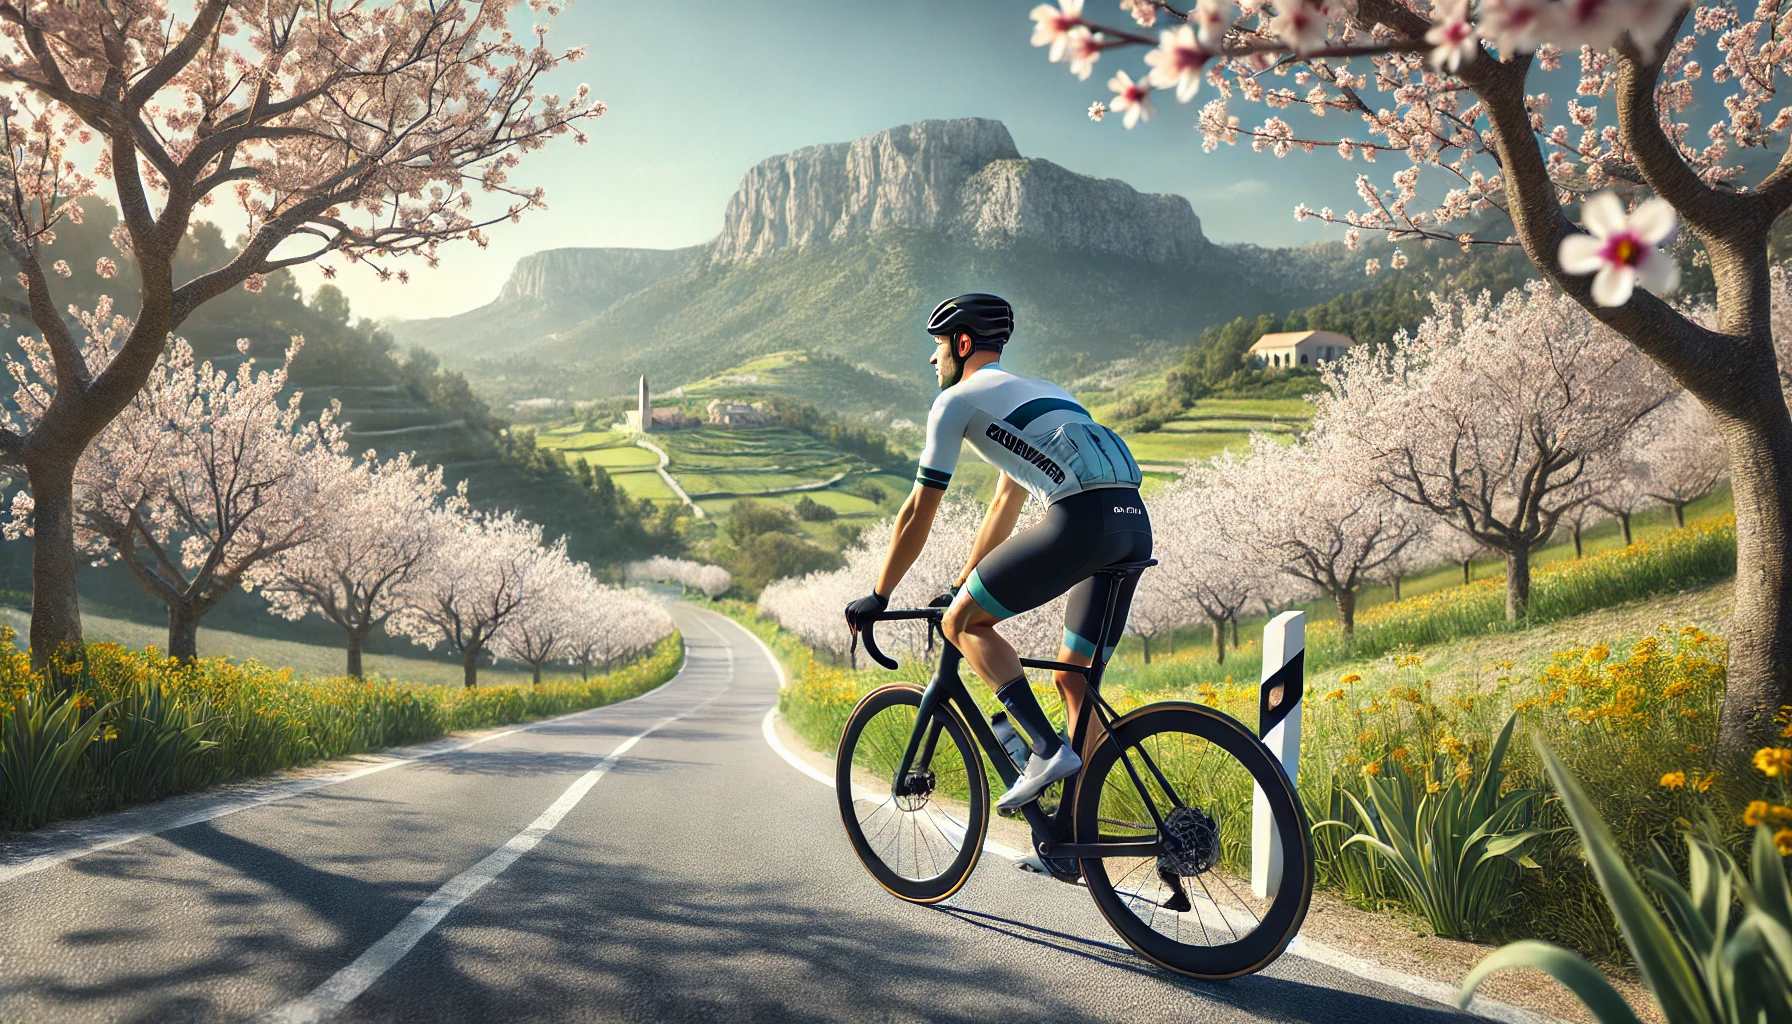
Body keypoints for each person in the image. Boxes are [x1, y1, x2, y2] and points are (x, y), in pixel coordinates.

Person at [844, 293, 1151, 812]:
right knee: (1073, 681)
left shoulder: (956, 401)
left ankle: (1044, 748)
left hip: (1081, 521)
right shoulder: (1044, 392)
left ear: (962, 344)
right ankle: (1079, 834)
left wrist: (880, 593)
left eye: (938, 346)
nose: (932, 359)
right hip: (1133, 523)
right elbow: (1005, 507)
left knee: (961, 624)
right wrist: (966, 580)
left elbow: (919, 511)